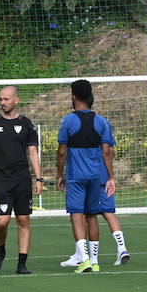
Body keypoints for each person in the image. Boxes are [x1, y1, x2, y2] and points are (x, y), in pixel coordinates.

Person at [56, 79, 129, 273]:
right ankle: (95, 261)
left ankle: (84, 258)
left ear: (73, 96)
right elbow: (107, 151)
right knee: (92, 215)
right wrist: (111, 176)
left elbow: (62, 151)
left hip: (76, 176)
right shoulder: (102, 121)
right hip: (96, 176)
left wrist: (59, 174)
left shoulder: (68, 121)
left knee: (76, 214)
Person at [0, 86, 44, 274]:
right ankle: (1, 252)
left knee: (23, 219)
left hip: (22, 179)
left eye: (6, 99)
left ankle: (22, 263)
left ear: (16, 100)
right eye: (0, 99)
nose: (2, 103)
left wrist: (39, 178)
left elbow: (33, 152)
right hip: (2, 179)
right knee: (2, 221)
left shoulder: (27, 124)